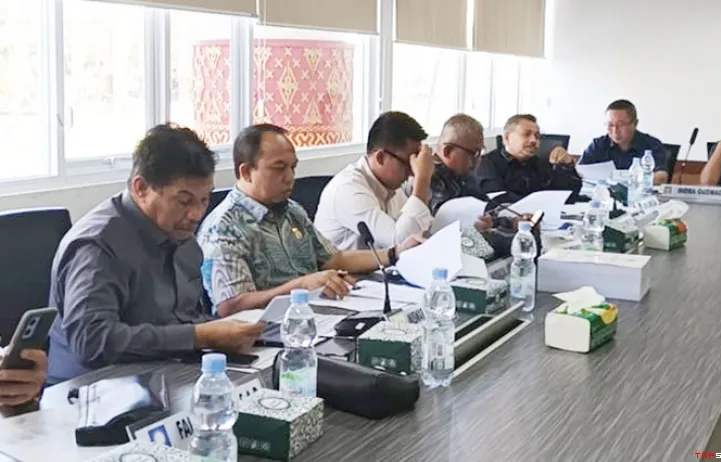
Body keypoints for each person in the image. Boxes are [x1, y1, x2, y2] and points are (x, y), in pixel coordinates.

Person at [47, 124, 265, 384]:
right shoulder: (97, 246)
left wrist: (228, 334)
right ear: (141, 188)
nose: (196, 214)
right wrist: (199, 336)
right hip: (93, 389)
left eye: (204, 200)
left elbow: (187, 319)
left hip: (167, 373)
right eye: (184, 201)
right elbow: (93, 342)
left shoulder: (182, 236)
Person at [197, 124, 422, 317]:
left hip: (316, 315)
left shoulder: (292, 211)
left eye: (293, 167)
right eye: (279, 168)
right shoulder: (224, 228)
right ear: (246, 172)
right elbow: (231, 306)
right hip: (266, 333)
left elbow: (333, 259)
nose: (290, 177)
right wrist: (301, 286)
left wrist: (395, 253)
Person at [313, 111, 434, 251]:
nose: (413, 172)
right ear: (380, 158)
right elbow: (400, 244)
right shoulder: (348, 190)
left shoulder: (391, 187)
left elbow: (422, 234)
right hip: (342, 266)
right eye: (409, 163)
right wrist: (422, 179)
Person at [429, 113, 538, 257]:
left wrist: (511, 222)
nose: (478, 160)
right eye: (473, 153)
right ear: (448, 151)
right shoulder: (432, 179)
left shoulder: (463, 175)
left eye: (480, 152)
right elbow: (456, 235)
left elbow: (484, 215)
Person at [474, 114, 582, 200]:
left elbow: (569, 195)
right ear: (507, 138)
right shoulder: (487, 164)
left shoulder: (539, 164)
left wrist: (568, 165)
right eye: (526, 134)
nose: (533, 140)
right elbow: (497, 198)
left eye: (537, 136)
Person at [579, 99, 669, 184]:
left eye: (620, 124)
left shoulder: (652, 145)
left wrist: (626, 180)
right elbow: (580, 171)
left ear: (635, 123)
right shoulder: (598, 145)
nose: (615, 130)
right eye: (610, 125)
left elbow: (661, 177)